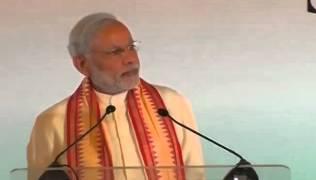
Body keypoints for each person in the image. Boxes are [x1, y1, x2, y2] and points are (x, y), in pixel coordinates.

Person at [27, 12, 204, 180]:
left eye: (131, 48)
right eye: (116, 52)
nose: (130, 59)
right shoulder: (53, 121)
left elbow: (195, 174)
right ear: (82, 64)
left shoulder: (170, 104)